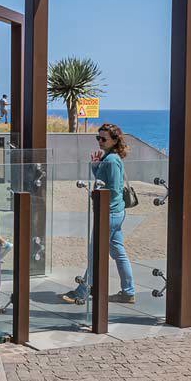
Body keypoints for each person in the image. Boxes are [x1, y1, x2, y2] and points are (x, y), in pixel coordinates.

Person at [61, 124, 136, 306]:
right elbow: (104, 180)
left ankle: (82, 291)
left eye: (104, 139)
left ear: (114, 140)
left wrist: (95, 194)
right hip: (114, 212)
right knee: (118, 251)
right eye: (98, 138)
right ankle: (128, 292)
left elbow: (113, 188)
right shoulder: (109, 158)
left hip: (109, 213)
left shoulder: (111, 160)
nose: (100, 142)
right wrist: (96, 167)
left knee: (96, 252)